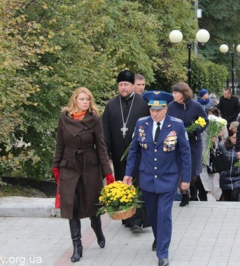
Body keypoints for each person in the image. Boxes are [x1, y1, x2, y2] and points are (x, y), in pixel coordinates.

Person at [123, 91, 191, 266]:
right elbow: (134, 152)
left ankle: (163, 252)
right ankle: (158, 237)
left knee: (164, 214)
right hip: (147, 178)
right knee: (152, 215)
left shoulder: (176, 125)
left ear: (166, 109)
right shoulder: (141, 124)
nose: (154, 113)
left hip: (168, 178)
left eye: (158, 110)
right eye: (152, 109)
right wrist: (128, 174)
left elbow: (185, 154)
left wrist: (186, 179)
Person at [51, 87, 114, 263]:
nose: (85, 102)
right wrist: (56, 166)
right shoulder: (64, 118)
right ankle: (77, 246)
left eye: (88, 99)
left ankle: (98, 231)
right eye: (82, 99)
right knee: (73, 207)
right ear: (75, 101)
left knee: (93, 207)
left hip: (90, 167)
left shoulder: (94, 119)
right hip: (69, 167)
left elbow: (101, 147)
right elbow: (60, 144)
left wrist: (108, 173)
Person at [102, 70, 150, 232]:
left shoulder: (143, 103)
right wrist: (106, 152)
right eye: (121, 85)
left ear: (132, 86)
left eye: (126, 85)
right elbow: (105, 130)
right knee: (122, 182)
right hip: (118, 153)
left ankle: (137, 220)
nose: (123, 88)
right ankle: (127, 216)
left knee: (136, 184)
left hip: (139, 153)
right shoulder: (111, 105)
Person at [167, 82, 208, 206]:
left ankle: (192, 186)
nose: (173, 95)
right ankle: (184, 193)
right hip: (176, 144)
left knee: (193, 171)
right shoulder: (170, 106)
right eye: (173, 92)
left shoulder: (196, 106)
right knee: (179, 169)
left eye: (175, 93)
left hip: (193, 143)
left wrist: (195, 130)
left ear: (183, 94)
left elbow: (205, 120)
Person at [198, 106, 227, 201]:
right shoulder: (201, 124)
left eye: (211, 114)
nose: (210, 116)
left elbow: (224, 139)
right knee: (202, 180)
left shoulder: (220, 123)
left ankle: (218, 198)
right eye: (208, 114)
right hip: (203, 156)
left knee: (215, 181)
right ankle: (203, 196)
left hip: (213, 157)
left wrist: (218, 138)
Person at [218, 129, 240, 201]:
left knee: (234, 197)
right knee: (227, 199)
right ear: (229, 137)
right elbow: (216, 157)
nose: (236, 140)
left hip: (237, 177)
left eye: (237, 138)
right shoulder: (222, 146)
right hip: (225, 176)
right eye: (233, 137)